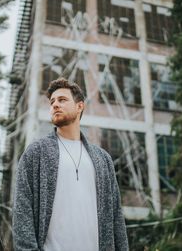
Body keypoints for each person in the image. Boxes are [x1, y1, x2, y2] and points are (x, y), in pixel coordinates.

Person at [12, 78, 128, 251]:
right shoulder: (36, 152)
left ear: (80, 106)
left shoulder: (102, 159)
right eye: (52, 102)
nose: (55, 105)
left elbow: (116, 216)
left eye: (62, 100)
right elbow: (22, 210)